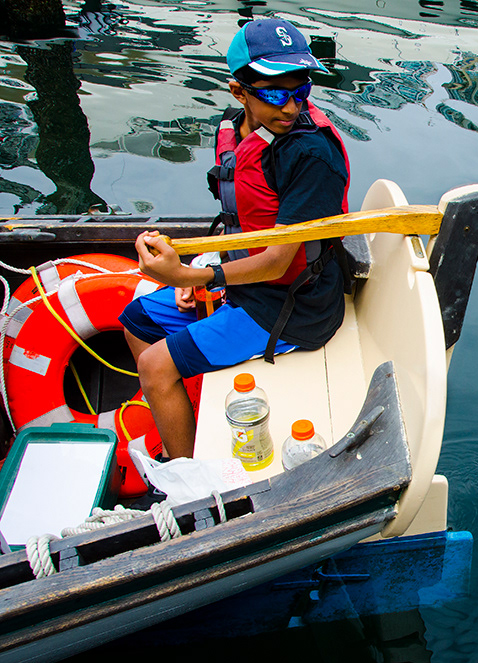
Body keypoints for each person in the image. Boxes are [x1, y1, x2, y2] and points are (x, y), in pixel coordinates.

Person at [120, 17, 350, 459]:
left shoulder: (310, 154)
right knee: (137, 320)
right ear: (238, 92)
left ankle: (186, 483)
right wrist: (203, 278)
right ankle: (177, 406)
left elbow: (281, 261)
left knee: (153, 364)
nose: (290, 108)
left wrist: (194, 276)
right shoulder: (235, 129)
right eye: (274, 93)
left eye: (300, 92)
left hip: (292, 306)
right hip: (246, 285)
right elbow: (241, 220)